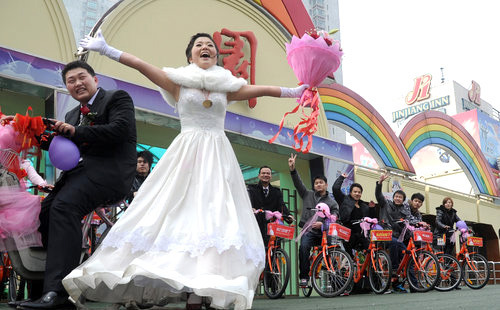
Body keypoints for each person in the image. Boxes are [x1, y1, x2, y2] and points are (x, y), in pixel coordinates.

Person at [64, 30, 307, 310]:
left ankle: (200, 291)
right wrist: (107, 50)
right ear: (190, 55)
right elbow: (141, 65)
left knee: (215, 219)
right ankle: (164, 281)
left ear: (217, 56)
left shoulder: (225, 87)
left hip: (218, 156)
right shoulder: (178, 82)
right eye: (199, 45)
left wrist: (294, 92)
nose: (205, 47)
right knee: (173, 214)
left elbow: (263, 90)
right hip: (186, 155)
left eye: (210, 46)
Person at [19, 60, 137, 309]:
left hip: (110, 174)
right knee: (47, 211)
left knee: (64, 207)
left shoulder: (117, 98)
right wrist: (25, 129)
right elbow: (63, 147)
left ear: (95, 80)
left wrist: (75, 132)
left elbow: (119, 130)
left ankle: (59, 293)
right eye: (70, 81)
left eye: (81, 77)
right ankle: (44, 290)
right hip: (80, 175)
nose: (77, 83)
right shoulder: (73, 115)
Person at [288, 154, 338, 287]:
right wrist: (293, 170)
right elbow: (298, 184)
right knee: (304, 247)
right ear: (314, 185)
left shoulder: (332, 202)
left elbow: (335, 218)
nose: (319, 184)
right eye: (316, 183)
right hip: (308, 231)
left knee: (332, 251)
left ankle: (335, 280)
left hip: (324, 233)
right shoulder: (307, 194)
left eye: (321, 182)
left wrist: (323, 224)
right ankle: (304, 277)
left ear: (326, 185)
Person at [375, 173, 412, 293]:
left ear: (403, 200)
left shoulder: (405, 210)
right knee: (395, 244)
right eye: (396, 196)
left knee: (406, 253)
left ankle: (398, 282)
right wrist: (380, 183)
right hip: (384, 233)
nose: (397, 198)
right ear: (393, 197)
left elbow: (409, 221)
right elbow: (378, 195)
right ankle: (394, 269)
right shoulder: (386, 204)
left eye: (400, 197)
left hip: (397, 237)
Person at [332, 172, 376, 259]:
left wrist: (371, 208)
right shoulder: (344, 200)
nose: (357, 194)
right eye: (355, 192)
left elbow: (370, 219)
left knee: (371, 251)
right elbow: (335, 189)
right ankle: (351, 265)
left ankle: (369, 270)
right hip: (347, 232)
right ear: (350, 192)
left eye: (359, 192)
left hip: (360, 234)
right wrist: (341, 178)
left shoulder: (363, 205)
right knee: (350, 256)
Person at [247, 166, 294, 246]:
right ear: (259, 176)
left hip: (272, 225)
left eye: (268, 173)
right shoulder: (251, 189)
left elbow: (281, 205)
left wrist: (288, 215)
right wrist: (251, 209)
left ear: (271, 176)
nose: (265, 175)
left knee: (274, 249)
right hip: (257, 224)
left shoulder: (276, 191)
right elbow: (248, 202)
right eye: (263, 173)